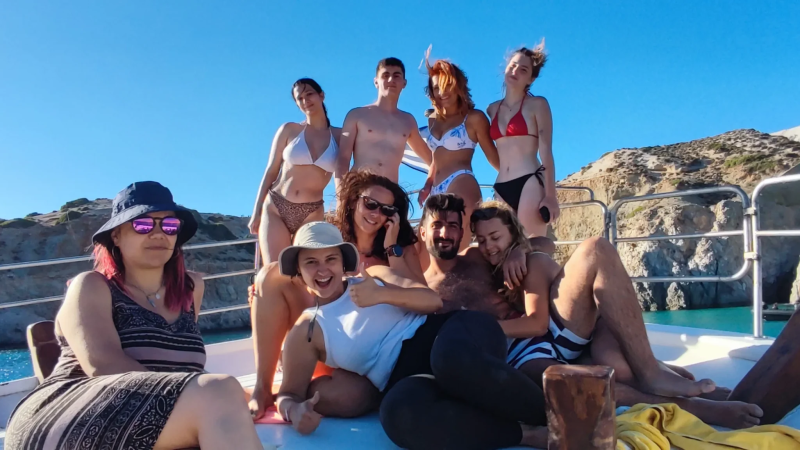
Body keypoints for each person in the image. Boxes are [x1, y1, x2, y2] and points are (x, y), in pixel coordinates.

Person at [421, 194, 764, 430]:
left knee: (595, 249)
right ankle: (699, 407)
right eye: (437, 225)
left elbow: (543, 244)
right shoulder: (420, 290)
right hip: (519, 353)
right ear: (421, 232)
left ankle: (652, 371)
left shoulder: (478, 256)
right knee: (592, 380)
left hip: (547, 326)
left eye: (453, 226)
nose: (446, 232)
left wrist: (518, 252)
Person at [4, 181, 262, 450]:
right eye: (143, 225)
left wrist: (245, 399)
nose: (158, 234)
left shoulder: (190, 290)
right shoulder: (92, 286)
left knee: (224, 396)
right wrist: (215, 394)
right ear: (116, 235)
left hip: (142, 419)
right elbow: (102, 365)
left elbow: (184, 370)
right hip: (63, 418)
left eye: (169, 226)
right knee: (218, 393)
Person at [275, 221, 550, 449]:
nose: (322, 270)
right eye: (311, 262)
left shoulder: (375, 276)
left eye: (330, 259)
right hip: (408, 376)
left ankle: (553, 416)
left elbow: (433, 301)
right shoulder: (307, 330)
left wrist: (381, 294)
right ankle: (524, 434)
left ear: (342, 262)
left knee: (450, 360)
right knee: (396, 414)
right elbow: (288, 394)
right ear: (299, 271)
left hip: (453, 333)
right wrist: (293, 411)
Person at [248, 170, 424, 420]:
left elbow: (420, 298)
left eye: (387, 210)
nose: (376, 214)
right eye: (370, 204)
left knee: (350, 398)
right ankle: (263, 388)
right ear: (354, 200)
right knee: (269, 275)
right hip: (327, 338)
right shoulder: (329, 236)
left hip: (367, 353)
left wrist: (391, 247)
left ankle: (294, 394)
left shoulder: (398, 249)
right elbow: (303, 278)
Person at [248, 78, 340, 262]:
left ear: (321, 95)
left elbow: (346, 175)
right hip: (277, 206)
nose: (306, 100)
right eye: (300, 98)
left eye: (310, 94)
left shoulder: (340, 136)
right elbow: (271, 171)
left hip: (312, 212)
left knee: (306, 271)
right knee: (275, 269)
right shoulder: (289, 130)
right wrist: (256, 211)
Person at [418, 53, 500, 253]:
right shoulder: (432, 120)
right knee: (425, 248)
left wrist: (510, 182)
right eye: (436, 87)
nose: (442, 92)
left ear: (458, 86)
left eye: (447, 86)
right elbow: (436, 159)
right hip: (436, 188)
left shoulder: (474, 118)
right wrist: (428, 184)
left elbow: (494, 158)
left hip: (461, 180)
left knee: (454, 247)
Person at [487, 40, 559, 237]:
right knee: (505, 249)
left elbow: (546, 152)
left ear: (531, 79)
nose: (515, 71)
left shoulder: (538, 105)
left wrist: (550, 196)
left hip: (530, 181)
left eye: (523, 70)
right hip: (501, 185)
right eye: (513, 66)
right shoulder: (492, 109)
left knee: (532, 246)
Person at [334, 57, 433, 191]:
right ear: (376, 81)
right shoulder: (357, 115)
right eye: (385, 75)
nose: (391, 80)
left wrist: (433, 182)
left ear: (404, 83)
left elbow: (430, 159)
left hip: (390, 193)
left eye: (396, 76)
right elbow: (343, 159)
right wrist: (341, 195)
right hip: (359, 189)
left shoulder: (408, 121)